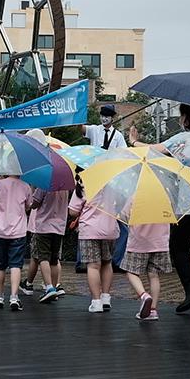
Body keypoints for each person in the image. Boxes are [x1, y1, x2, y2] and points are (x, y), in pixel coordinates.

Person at [129, 103, 190, 313]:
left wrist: (133, 141)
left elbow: (155, 150)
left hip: (188, 204)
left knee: (178, 246)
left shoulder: (184, 139)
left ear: (185, 117)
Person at [81, 104, 129, 273]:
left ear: (112, 117)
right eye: (102, 115)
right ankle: (83, 260)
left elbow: (124, 154)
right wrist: (78, 113)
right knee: (88, 215)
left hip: (111, 180)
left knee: (116, 219)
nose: (104, 118)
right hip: (95, 176)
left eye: (107, 116)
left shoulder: (118, 136)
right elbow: (81, 129)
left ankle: (116, 259)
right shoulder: (95, 130)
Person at [69, 172, 119, 313]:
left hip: (90, 230)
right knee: (107, 262)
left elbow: (73, 211)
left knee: (93, 266)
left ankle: (96, 302)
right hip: (110, 229)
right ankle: (106, 298)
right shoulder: (113, 182)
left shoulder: (85, 182)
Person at [0, 175, 31, 311]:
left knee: (0, 266)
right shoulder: (26, 186)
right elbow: (28, 206)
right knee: (15, 265)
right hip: (18, 231)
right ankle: (14, 297)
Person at [120, 221, 172, 321]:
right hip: (160, 243)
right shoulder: (165, 204)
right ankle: (152, 310)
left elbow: (124, 216)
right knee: (154, 275)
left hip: (139, 242)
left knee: (131, 272)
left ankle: (144, 295)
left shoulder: (136, 204)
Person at [26, 187, 69, 303]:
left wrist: (31, 204)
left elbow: (34, 203)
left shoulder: (43, 186)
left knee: (43, 258)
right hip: (59, 228)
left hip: (44, 226)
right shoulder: (65, 189)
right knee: (54, 259)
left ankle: (49, 287)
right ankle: (54, 288)